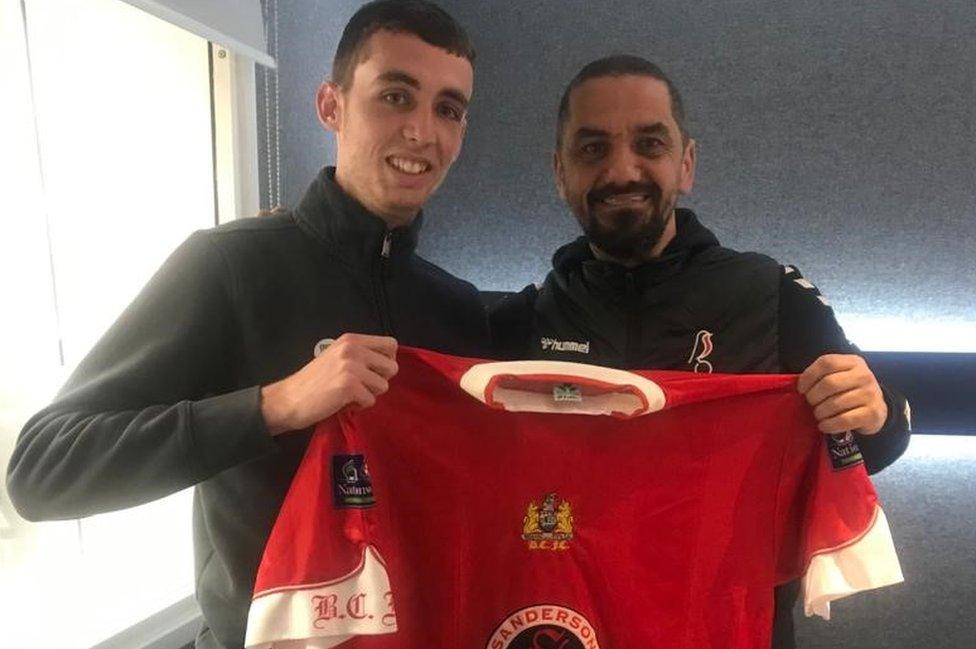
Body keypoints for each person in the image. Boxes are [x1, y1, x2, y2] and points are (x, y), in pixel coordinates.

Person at [6, 2, 487, 648]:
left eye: (448, 109)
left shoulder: (458, 312)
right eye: (395, 96)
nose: (422, 132)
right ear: (331, 105)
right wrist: (276, 404)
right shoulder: (228, 266)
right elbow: (42, 471)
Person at [489, 55, 911, 648]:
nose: (622, 170)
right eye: (592, 150)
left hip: (729, 631)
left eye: (649, 144)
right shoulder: (520, 324)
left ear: (685, 163)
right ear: (560, 173)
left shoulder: (771, 295)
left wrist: (877, 411)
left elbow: (878, 438)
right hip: (567, 629)